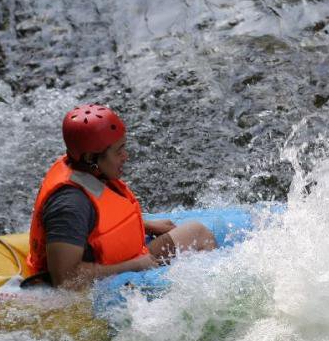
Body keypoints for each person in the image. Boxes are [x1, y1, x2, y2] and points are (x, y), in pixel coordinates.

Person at [26, 104, 216, 289]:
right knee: (197, 232)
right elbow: (66, 279)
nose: (126, 156)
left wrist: (145, 225)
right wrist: (134, 265)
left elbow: (98, 222)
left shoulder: (84, 169)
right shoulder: (70, 205)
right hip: (102, 280)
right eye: (119, 151)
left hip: (105, 258)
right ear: (91, 158)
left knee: (195, 232)